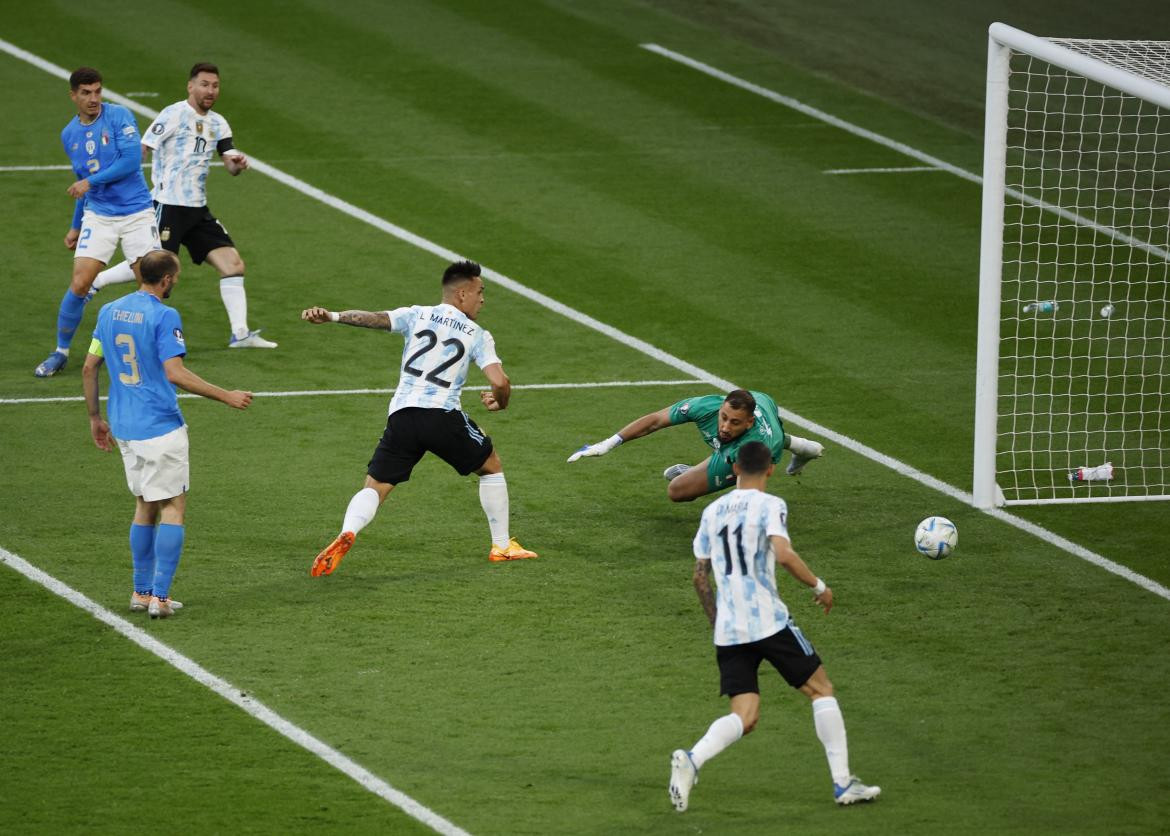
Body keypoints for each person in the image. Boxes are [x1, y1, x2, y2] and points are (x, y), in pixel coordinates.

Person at [668, 440, 880, 812]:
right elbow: (783, 554)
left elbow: (699, 577)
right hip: (768, 621)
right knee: (821, 690)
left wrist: (721, 626)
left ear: (734, 469)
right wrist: (819, 586)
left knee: (745, 716)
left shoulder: (712, 511)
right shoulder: (771, 505)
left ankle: (692, 758)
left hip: (730, 630)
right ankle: (843, 783)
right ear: (769, 470)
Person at [301, 259, 538, 575]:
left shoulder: (417, 314)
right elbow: (500, 382)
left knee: (376, 485)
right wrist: (500, 402)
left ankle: (349, 531)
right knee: (490, 464)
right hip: (442, 415)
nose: (483, 300)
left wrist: (331, 316)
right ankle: (502, 546)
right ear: (463, 293)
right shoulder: (478, 334)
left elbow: (374, 319)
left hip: (401, 417)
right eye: (481, 292)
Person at [82, 250, 253, 618]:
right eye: (175, 276)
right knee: (173, 506)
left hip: (124, 427)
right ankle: (160, 597)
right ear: (166, 280)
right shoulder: (164, 315)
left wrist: (95, 417)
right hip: (159, 426)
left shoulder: (109, 310)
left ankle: (140, 592)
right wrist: (226, 395)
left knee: (145, 505)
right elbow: (175, 372)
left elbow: (89, 366)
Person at [91, 62, 276, 349]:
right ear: (191, 86)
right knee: (153, 268)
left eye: (215, 85)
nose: (210, 90)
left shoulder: (219, 123)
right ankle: (97, 280)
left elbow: (229, 162)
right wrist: (122, 181)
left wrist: (236, 163)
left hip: (197, 210)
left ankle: (240, 334)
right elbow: (143, 148)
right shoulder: (174, 114)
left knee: (233, 264)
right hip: (168, 205)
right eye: (204, 84)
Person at [35, 67, 161, 378]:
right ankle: (60, 352)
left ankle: (153, 349)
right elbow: (81, 181)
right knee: (79, 283)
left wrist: (91, 182)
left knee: (152, 284)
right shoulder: (69, 134)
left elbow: (132, 161)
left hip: (136, 212)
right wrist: (76, 225)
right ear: (73, 96)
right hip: (99, 215)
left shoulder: (119, 116)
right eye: (86, 93)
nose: (94, 98)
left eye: (97, 91)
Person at [567, 388, 824, 502]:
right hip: (761, 400)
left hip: (760, 448)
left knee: (681, 490)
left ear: (747, 424)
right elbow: (656, 420)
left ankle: (796, 445)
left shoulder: (754, 446)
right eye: (724, 417)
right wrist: (609, 444)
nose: (724, 426)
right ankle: (802, 445)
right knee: (680, 490)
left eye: (734, 422)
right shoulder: (706, 407)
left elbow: (749, 495)